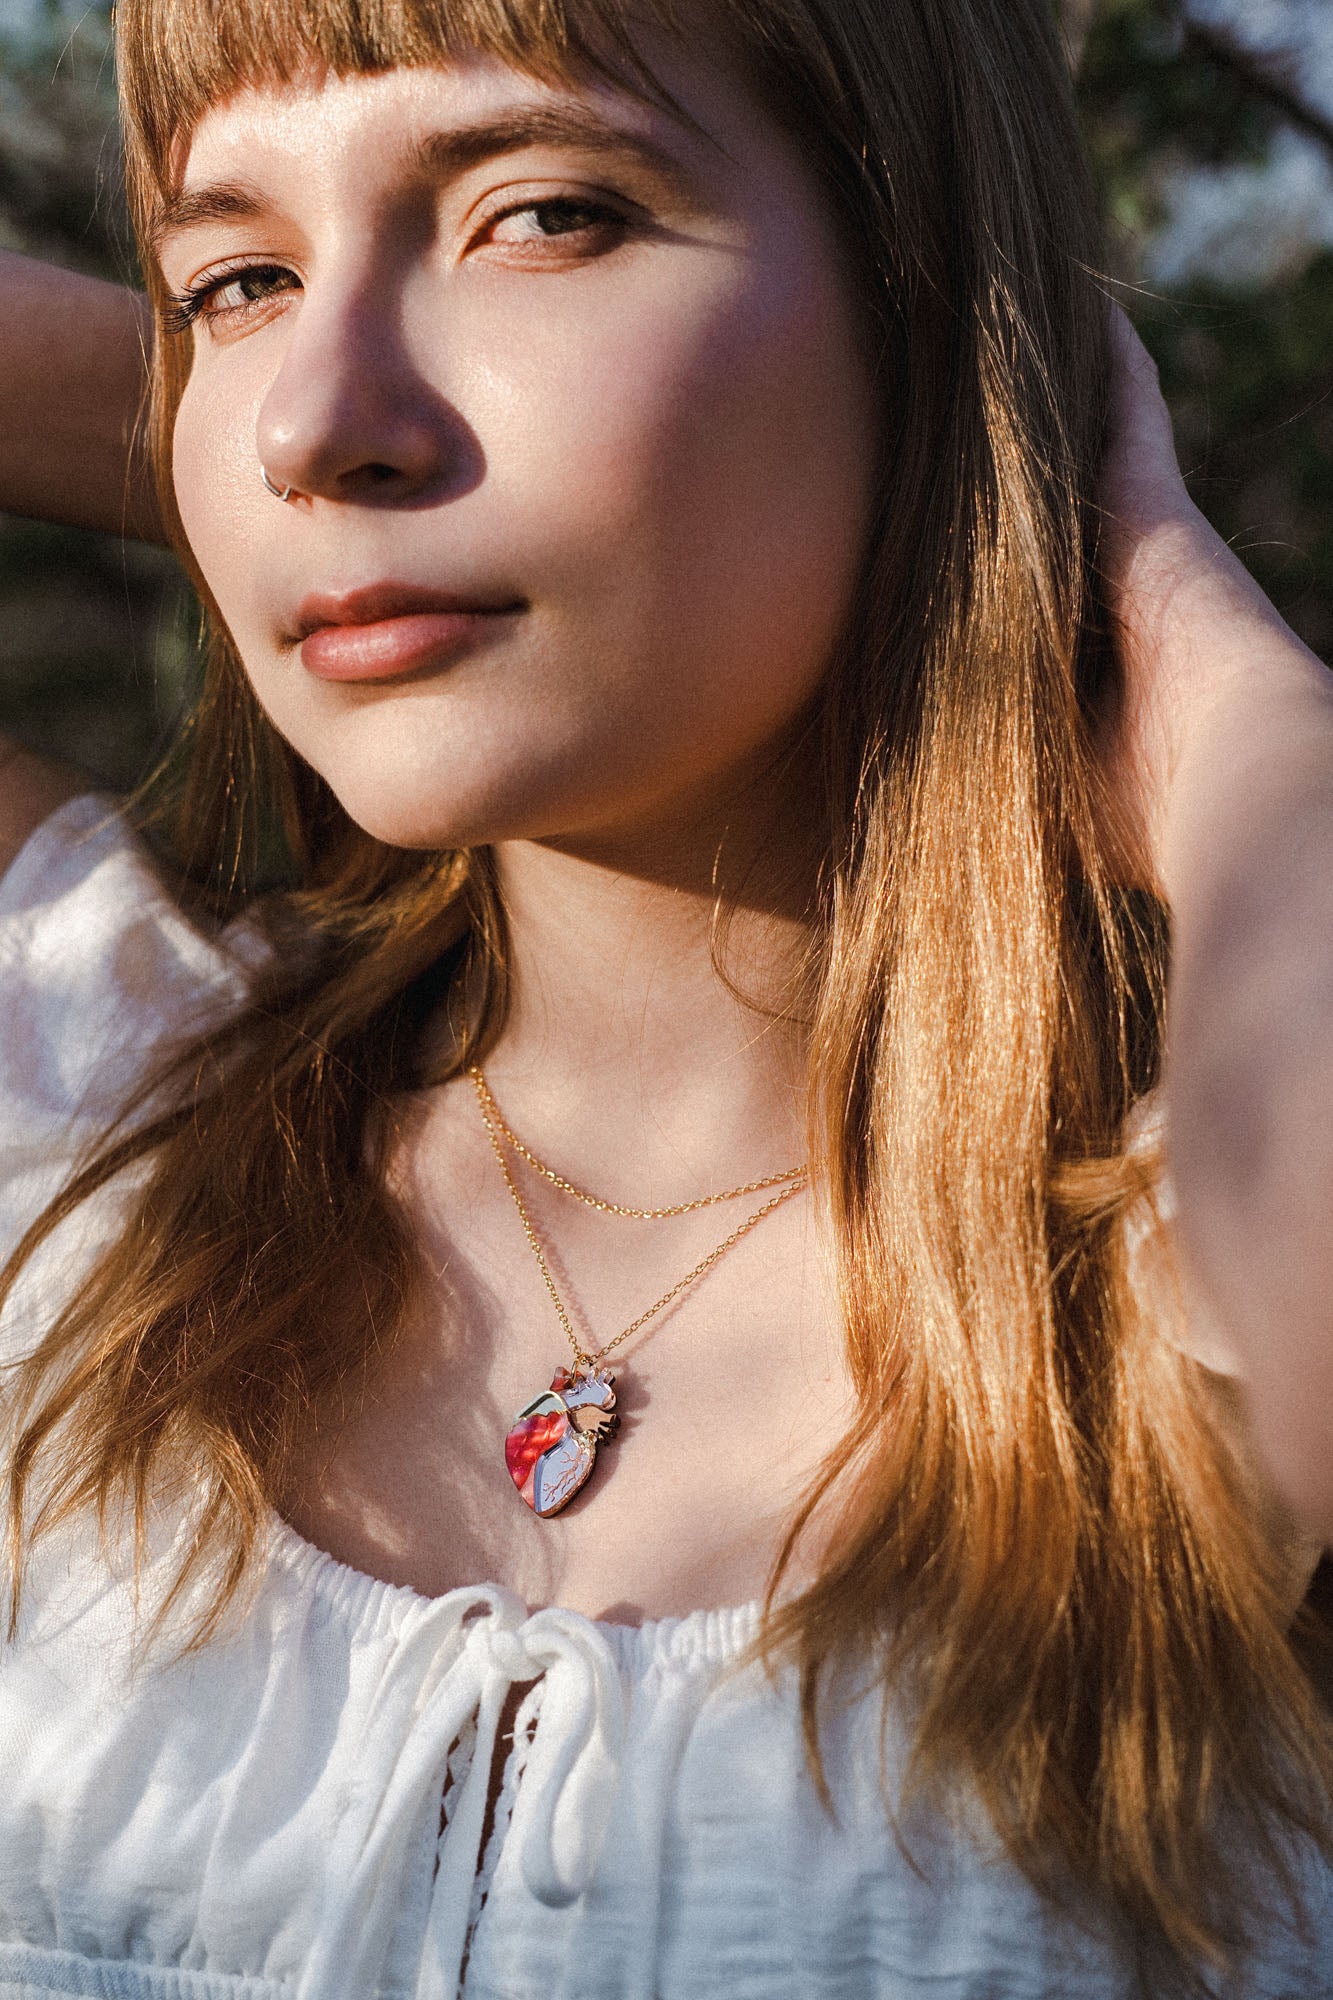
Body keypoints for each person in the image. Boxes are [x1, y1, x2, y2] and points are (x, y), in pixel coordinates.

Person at [0, 1, 1329, 1995]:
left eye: (541, 214)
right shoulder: (89, 1131)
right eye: (238, 276)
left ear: (920, 309)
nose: (307, 416)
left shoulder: (1207, 1303)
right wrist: (257, 490)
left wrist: (1228, 703)